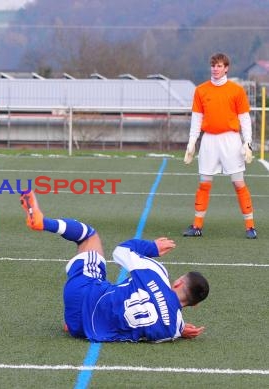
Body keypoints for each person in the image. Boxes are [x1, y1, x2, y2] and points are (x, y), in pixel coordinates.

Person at [20, 191, 209, 342]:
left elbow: (120, 251)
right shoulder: (173, 329)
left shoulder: (157, 273)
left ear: (178, 283)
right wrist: (181, 330)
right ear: (195, 305)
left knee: (89, 236)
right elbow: (166, 322)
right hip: (82, 330)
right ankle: (73, 321)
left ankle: (42, 222)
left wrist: (152, 247)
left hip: (82, 292)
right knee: (109, 309)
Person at [183, 52, 257, 239]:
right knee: (204, 184)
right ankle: (197, 226)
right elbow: (196, 119)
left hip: (231, 140)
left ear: (226, 68)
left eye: (219, 66)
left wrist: (247, 142)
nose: (215, 69)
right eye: (213, 65)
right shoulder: (201, 90)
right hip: (209, 141)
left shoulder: (236, 90)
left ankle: (250, 227)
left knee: (239, 183)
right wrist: (192, 142)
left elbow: (245, 119)